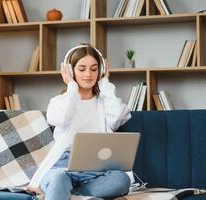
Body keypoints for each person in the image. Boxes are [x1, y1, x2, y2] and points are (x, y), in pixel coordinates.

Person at [27, 45, 132, 200]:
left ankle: (71, 193)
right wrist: (71, 87)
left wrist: (105, 84)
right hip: (61, 168)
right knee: (59, 179)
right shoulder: (59, 102)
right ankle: (63, 188)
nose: (88, 74)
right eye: (82, 69)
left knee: (122, 179)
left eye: (94, 69)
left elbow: (116, 118)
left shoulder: (105, 103)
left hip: (95, 171)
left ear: (100, 71)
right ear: (70, 71)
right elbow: (61, 118)